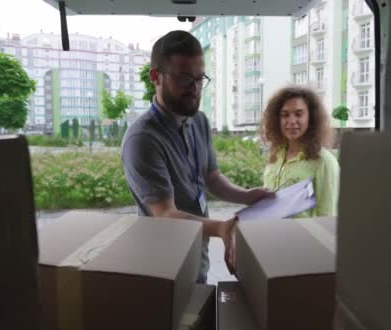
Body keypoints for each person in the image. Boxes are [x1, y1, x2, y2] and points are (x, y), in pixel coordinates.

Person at [121, 31, 271, 283]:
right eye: (184, 78)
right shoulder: (142, 139)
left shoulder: (198, 121)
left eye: (200, 78)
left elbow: (212, 179)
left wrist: (247, 196)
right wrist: (221, 228)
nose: (194, 88)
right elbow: (166, 214)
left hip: (197, 251)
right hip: (163, 264)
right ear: (155, 77)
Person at [260, 86, 339, 217]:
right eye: (285, 115)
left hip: (304, 237)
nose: (291, 121)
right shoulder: (275, 156)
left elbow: (327, 216)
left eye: (298, 114)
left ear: (311, 117)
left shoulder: (323, 161)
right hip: (272, 235)